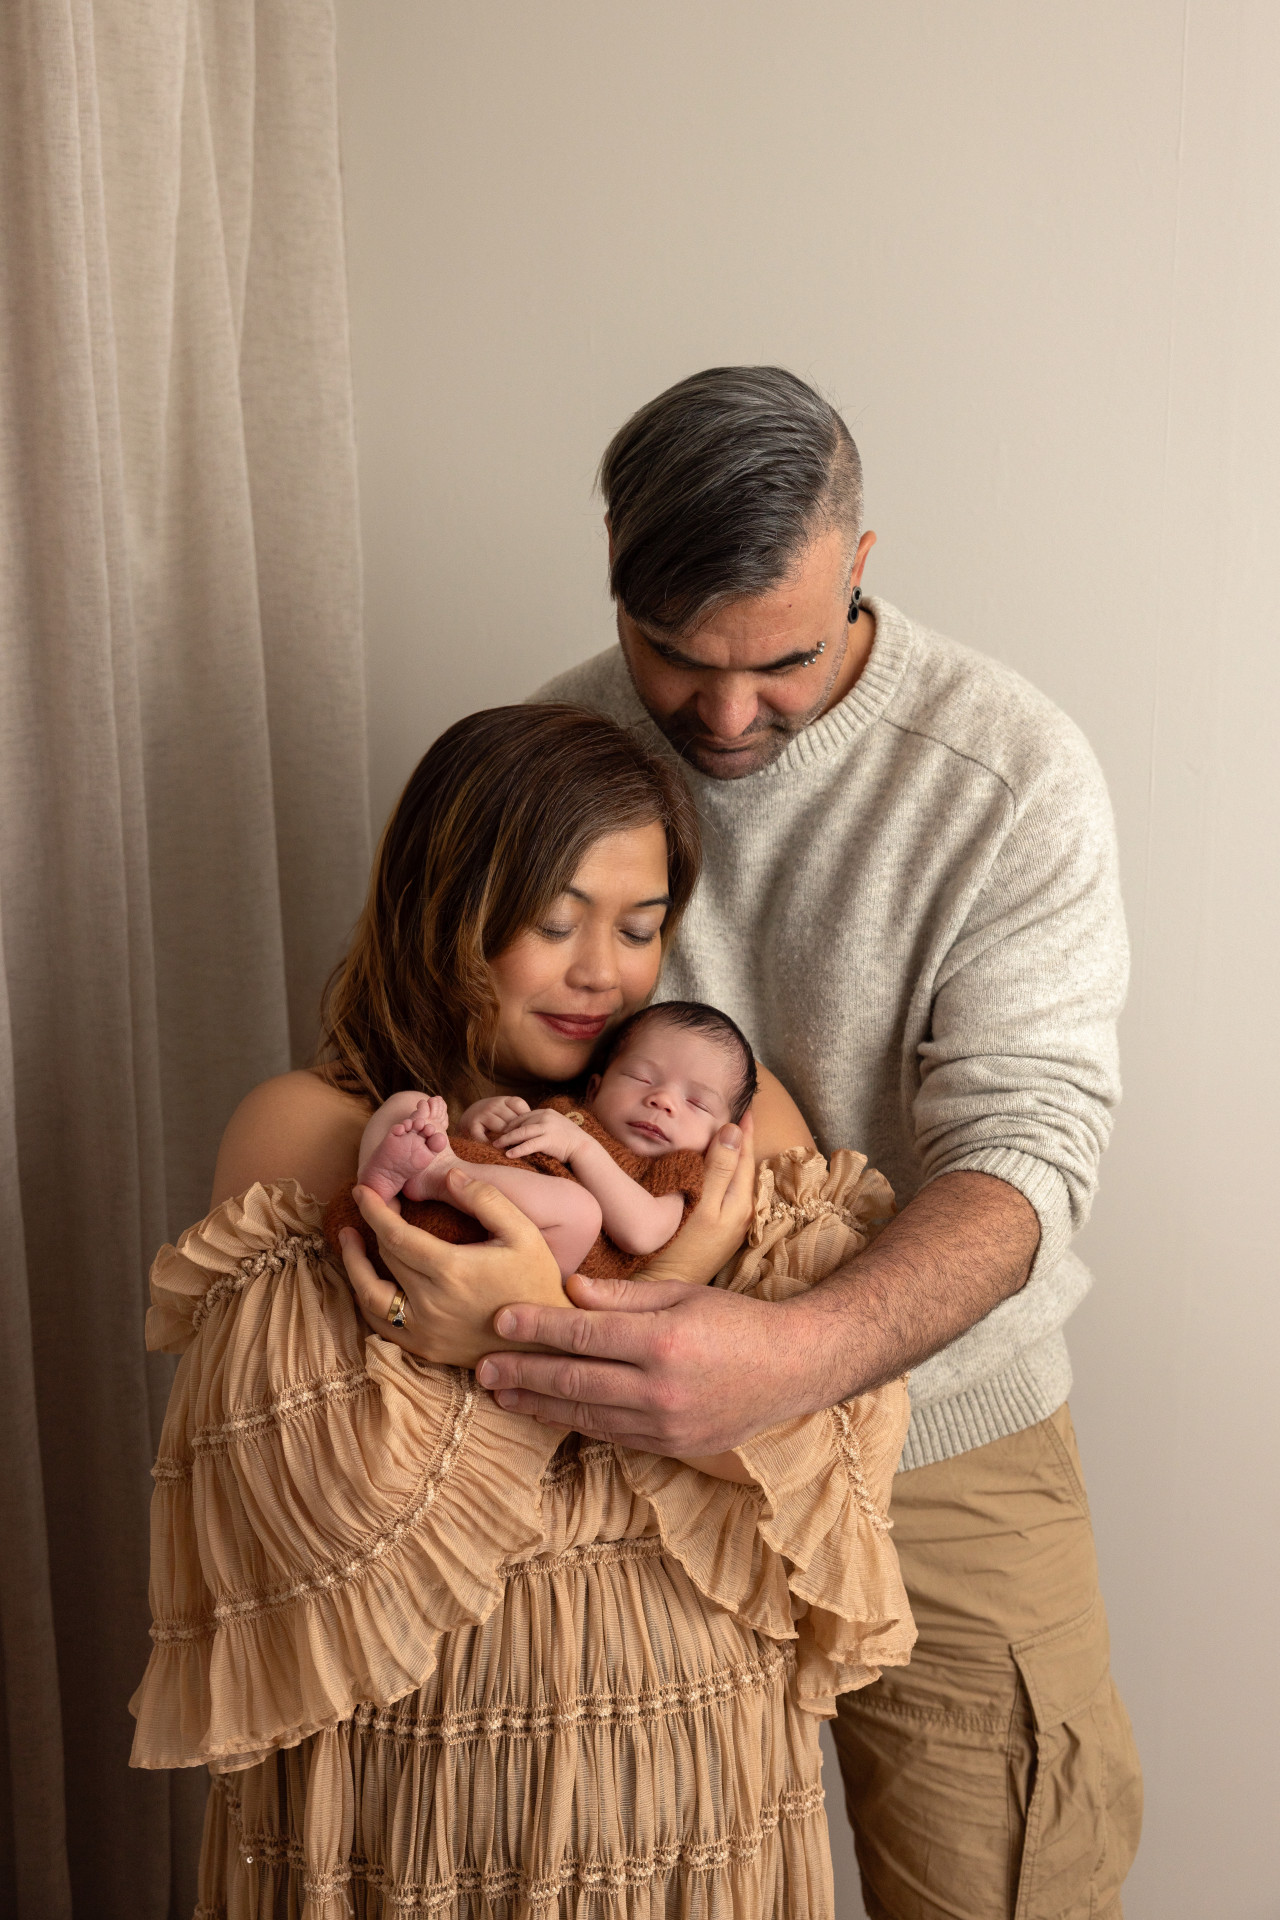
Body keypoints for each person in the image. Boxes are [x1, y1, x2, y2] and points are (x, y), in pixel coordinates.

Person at [462, 368, 1144, 1919]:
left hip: (943, 1437)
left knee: (1003, 1886)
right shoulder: (550, 753)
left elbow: (1030, 1146)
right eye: (672, 659)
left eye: (778, 660)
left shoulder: (1009, 774)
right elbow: (439, 1031)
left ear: (862, 563)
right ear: (617, 587)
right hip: (608, 1445)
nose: (721, 713)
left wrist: (805, 1353)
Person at [129, 702, 916, 1918]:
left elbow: (833, 1462)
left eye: (640, 929)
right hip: (422, 1806)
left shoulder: (728, 1135)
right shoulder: (314, 1131)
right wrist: (665, 1303)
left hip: (690, 1789)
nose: (602, 972)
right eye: (554, 923)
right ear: (442, 906)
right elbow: (305, 1517)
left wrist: (511, 1325)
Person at [348, 1000, 758, 1278]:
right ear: (595, 1089)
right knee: (412, 1102)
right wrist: (478, 1121)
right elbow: (499, 1149)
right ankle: (379, 1190)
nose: (663, 1100)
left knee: (579, 1209)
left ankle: (437, 1174)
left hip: (501, 1262)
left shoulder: (676, 1168)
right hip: (419, 1223)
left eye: (697, 1103)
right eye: (641, 1077)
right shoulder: (565, 1110)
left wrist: (580, 1148)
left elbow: (643, 1232)